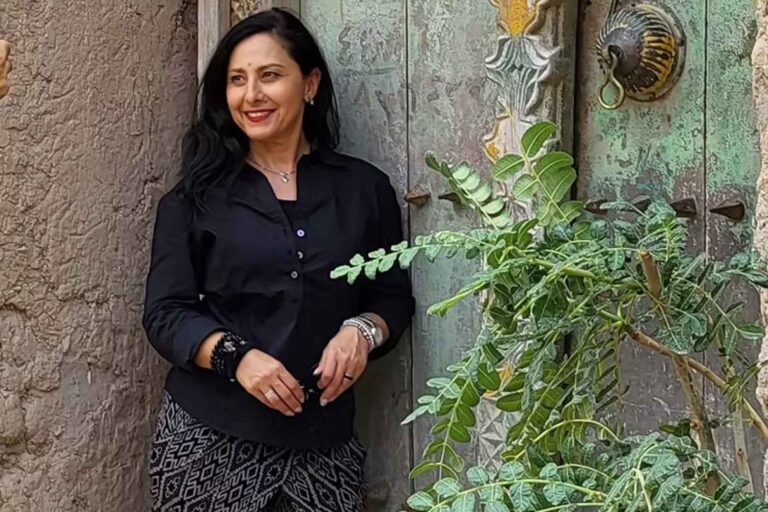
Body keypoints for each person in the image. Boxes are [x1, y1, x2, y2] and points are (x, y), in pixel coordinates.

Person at [142, 8, 415, 512]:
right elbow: (165, 313)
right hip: (209, 440)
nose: (252, 95)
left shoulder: (364, 189)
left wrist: (362, 331)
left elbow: (392, 297)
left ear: (309, 84)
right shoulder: (194, 198)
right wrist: (236, 357)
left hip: (323, 443)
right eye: (237, 80)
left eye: (269, 75)